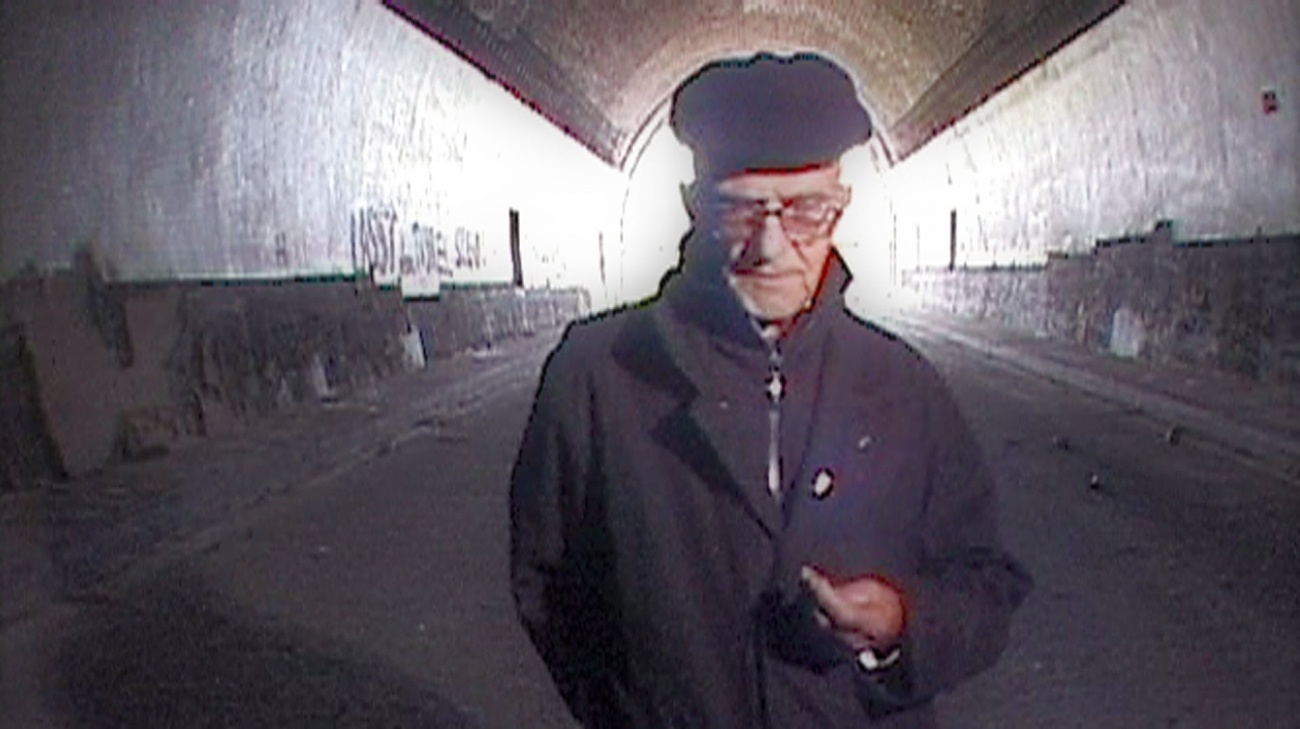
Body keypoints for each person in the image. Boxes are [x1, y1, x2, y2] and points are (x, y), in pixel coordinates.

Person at [510, 51, 1031, 728]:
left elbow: (984, 581)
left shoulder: (903, 386)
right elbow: (548, 583)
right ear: (695, 207)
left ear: (841, 206)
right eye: (741, 210)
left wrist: (901, 621)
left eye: (807, 211)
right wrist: (636, 707)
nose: (772, 247)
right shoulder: (599, 375)